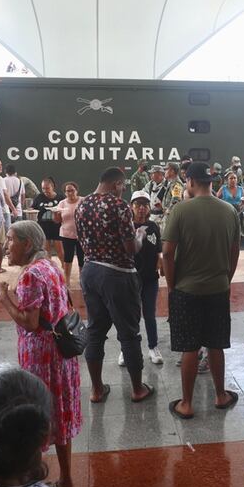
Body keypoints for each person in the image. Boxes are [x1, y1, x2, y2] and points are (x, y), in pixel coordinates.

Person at [0, 221, 83, 487]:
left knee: (38, 412)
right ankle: (66, 478)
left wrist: (4, 298)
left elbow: (30, 322)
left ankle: (32, 482)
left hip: (41, 355)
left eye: (11, 240)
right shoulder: (52, 266)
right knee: (59, 410)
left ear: (27, 244)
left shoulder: (31, 274)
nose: (7, 246)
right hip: (60, 351)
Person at [163, 163, 241, 419]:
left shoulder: (180, 211)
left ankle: (186, 403)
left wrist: (173, 286)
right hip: (218, 288)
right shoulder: (229, 210)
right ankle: (220, 395)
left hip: (187, 290)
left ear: (190, 181)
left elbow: (167, 253)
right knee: (216, 344)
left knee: (190, 347)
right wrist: (225, 279)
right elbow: (234, 251)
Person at [75, 167, 154, 404]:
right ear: (117, 184)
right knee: (129, 334)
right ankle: (138, 389)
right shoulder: (119, 207)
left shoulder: (82, 204)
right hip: (118, 275)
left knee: (95, 332)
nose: (123, 191)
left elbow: (81, 240)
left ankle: (97, 390)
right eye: (123, 186)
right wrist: (139, 235)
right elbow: (131, 248)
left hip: (90, 272)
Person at [126, 191, 164, 366]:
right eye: (137, 204)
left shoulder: (154, 226)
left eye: (144, 205)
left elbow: (158, 251)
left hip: (150, 279)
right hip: (129, 279)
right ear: (131, 206)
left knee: (149, 314)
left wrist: (159, 264)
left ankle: (153, 346)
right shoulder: (126, 226)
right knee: (129, 315)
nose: (141, 208)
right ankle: (126, 349)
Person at [57, 181, 85, 286]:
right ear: (65, 193)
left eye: (72, 190)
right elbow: (57, 220)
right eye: (67, 191)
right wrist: (56, 213)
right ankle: (66, 281)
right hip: (66, 234)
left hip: (82, 235)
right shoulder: (62, 203)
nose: (70, 193)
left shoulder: (83, 201)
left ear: (76, 190)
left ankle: (82, 280)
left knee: (82, 258)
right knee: (67, 259)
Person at [32, 177, 65, 261]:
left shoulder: (60, 198)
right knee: (46, 252)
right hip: (43, 227)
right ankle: (49, 270)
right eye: (43, 188)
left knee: (60, 251)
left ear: (52, 187)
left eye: (47, 188)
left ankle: (65, 270)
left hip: (57, 227)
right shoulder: (39, 197)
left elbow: (65, 210)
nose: (45, 190)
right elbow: (33, 208)